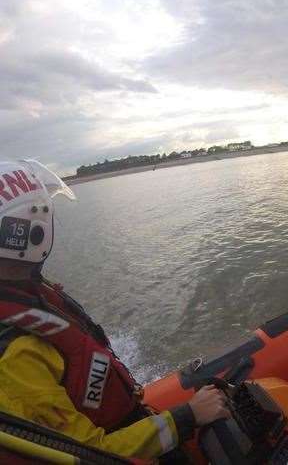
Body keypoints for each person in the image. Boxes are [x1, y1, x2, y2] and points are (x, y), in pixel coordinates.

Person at [0, 159, 230, 462]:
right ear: (33, 234)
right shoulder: (17, 353)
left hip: (122, 419)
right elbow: (90, 454)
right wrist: (186, 416)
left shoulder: (26, 291)